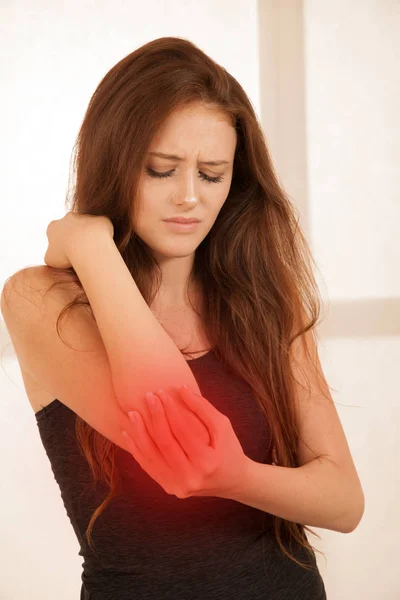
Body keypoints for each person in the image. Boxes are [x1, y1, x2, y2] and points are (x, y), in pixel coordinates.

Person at [1, 37, 364, 599]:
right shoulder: (40, 299)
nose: (189, 197)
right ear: (116, 163)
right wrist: (91, 244)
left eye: (213, 174)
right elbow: (175, 423)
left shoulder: (264, 301)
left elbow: (343, 500)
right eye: (161, 170)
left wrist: (236, 475)